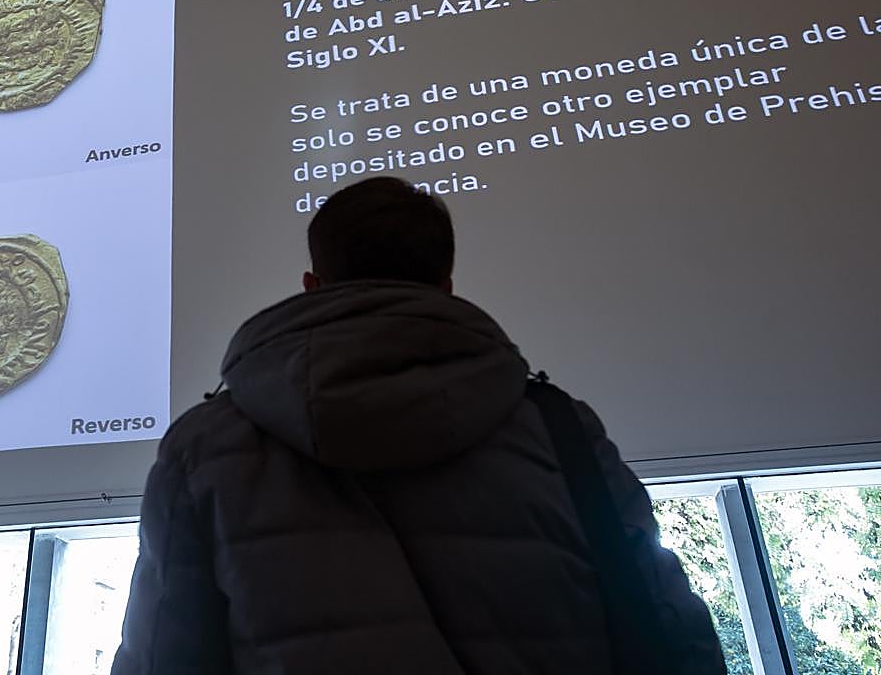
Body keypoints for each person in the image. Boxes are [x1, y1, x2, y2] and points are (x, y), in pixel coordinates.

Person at [111, 176, 725, 674]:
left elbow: (166, 653)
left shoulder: (204, 449)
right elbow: (665, 623)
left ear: (312, 285)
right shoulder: (560, 429)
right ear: (446, 285)